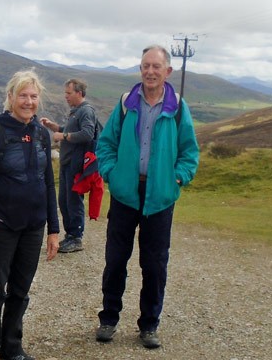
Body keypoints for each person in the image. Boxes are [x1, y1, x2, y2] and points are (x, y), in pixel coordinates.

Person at [94, 45, 199, 349]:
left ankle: (149, 325)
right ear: (140, 69)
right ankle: (108, 319)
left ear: (167, 71)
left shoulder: (178, 107)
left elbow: (190, 152)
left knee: (154, 266)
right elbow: (106, 143)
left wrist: (177, 178)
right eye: (145, 66)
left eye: (156, 66)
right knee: (115, 260)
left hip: (160, 197)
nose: (150, 71)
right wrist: (111, 173)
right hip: (126, 193)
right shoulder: (127, 102)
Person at [0, 69, 59, 360]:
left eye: (33, 96)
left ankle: (12, 348)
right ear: (10, 98)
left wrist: (54, 230)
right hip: (1, 225)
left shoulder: (42, 135)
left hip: (33, 227)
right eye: (23, 95)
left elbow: (48, 183)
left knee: (20, 292)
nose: (29, 101)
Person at [40, 78, 97, 253]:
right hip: (67, 162)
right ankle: (70, 235)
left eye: (69, 93)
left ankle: (76, 237)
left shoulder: (86, 111)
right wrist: (53, 127)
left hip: (76, 163)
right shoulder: (76, 112)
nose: (66, 96)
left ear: (79, 93)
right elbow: (70, 128)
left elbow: (87, 133)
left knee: (73, 201)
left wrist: (63, 137)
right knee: (64, 201)